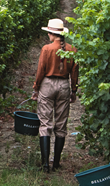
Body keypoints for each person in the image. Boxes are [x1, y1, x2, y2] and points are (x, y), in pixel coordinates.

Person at [31, 19, 79, 172]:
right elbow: (75, 73)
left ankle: (45, 164)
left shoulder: (46, 49)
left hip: (47, 85)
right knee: (61, 125)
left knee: (45, 124)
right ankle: (56, 163)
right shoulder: (72, 50)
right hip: (64, 85)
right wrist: (73, 90)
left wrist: (36, 89)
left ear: (52, 33)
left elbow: (40, 71)